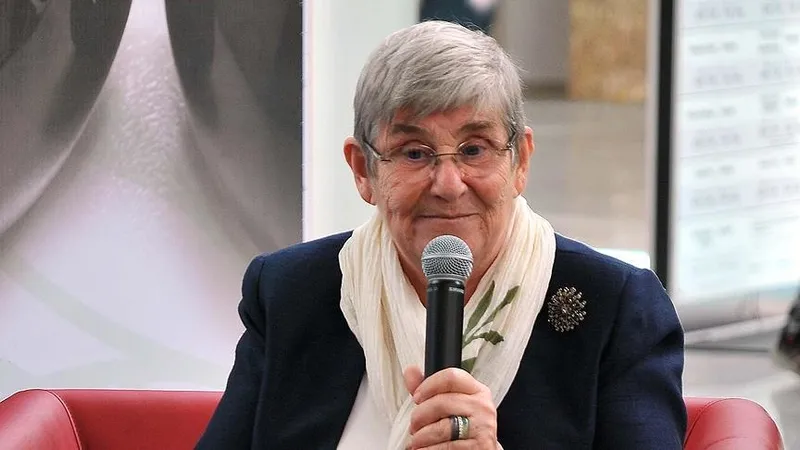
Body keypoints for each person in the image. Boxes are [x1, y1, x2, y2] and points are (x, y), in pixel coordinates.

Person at [195, 20, 687, 449]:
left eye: (475, 149)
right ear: (363, 170)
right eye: (414, 153)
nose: (449, 185)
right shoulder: (290, 292)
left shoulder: (614, 308)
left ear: (520, 161)